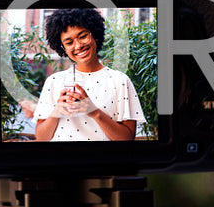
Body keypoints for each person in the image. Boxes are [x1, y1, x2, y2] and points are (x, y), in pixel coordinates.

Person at [24, 8, 145, 142]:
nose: (78, 45)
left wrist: (94, 112)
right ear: (62, 48)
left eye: (82, 36)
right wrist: (56, 113)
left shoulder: (119, 80)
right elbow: (41, 138)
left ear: (95, 35)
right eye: (69, 42)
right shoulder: (53, 81)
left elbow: (127, 138)